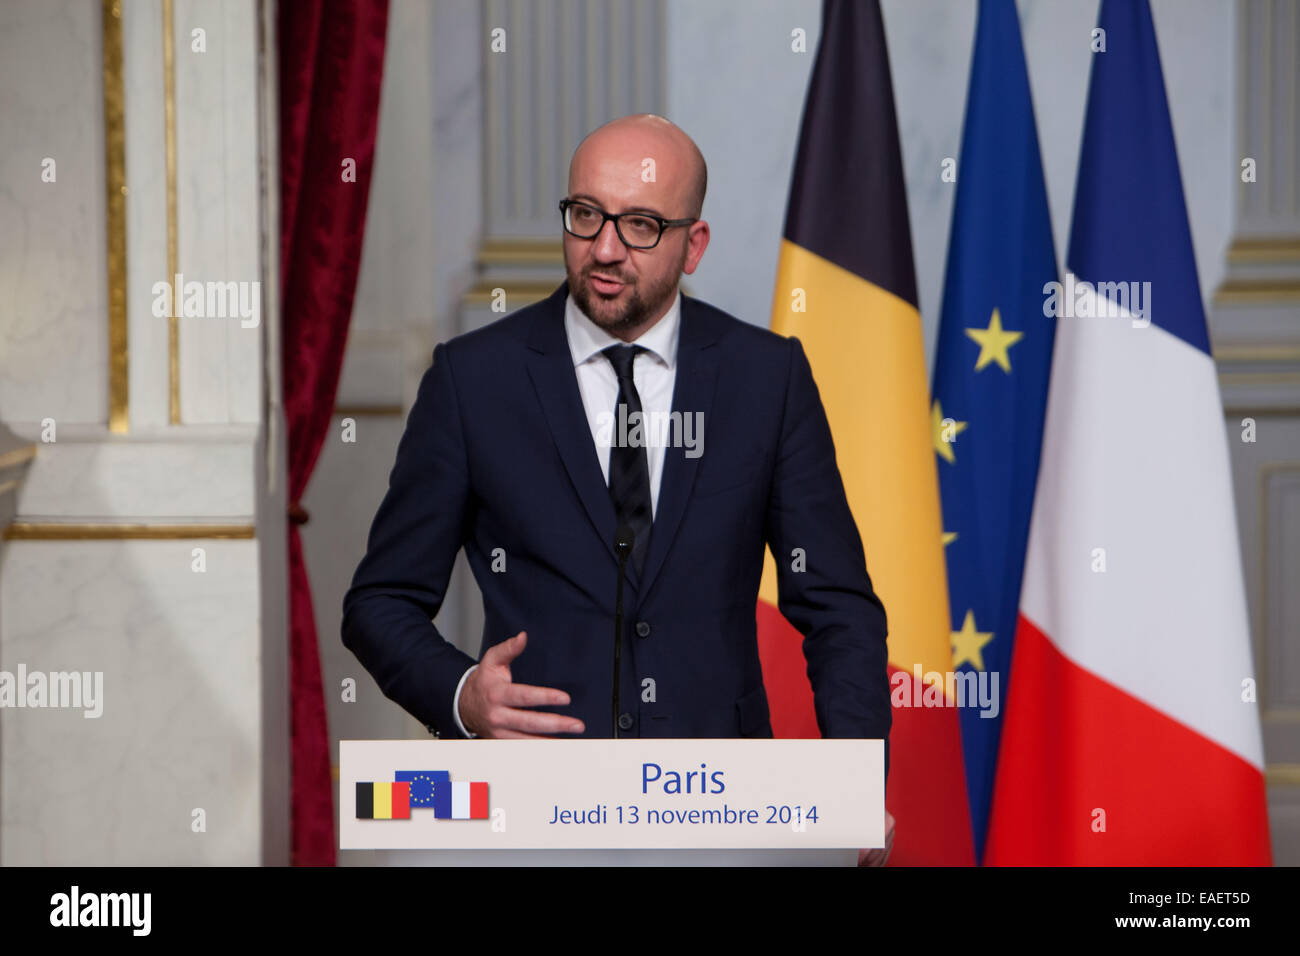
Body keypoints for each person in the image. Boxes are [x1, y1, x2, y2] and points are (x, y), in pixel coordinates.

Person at [342, 114, 894, 864]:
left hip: (725, 813)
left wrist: (853, 777)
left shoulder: (768, 379)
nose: (604, 249)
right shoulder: (474, 381)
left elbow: (837, 606)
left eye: (640, 225)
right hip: (532, 816)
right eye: (585, 216)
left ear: (693, 245)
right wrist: (462, 694)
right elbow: (378, 603)